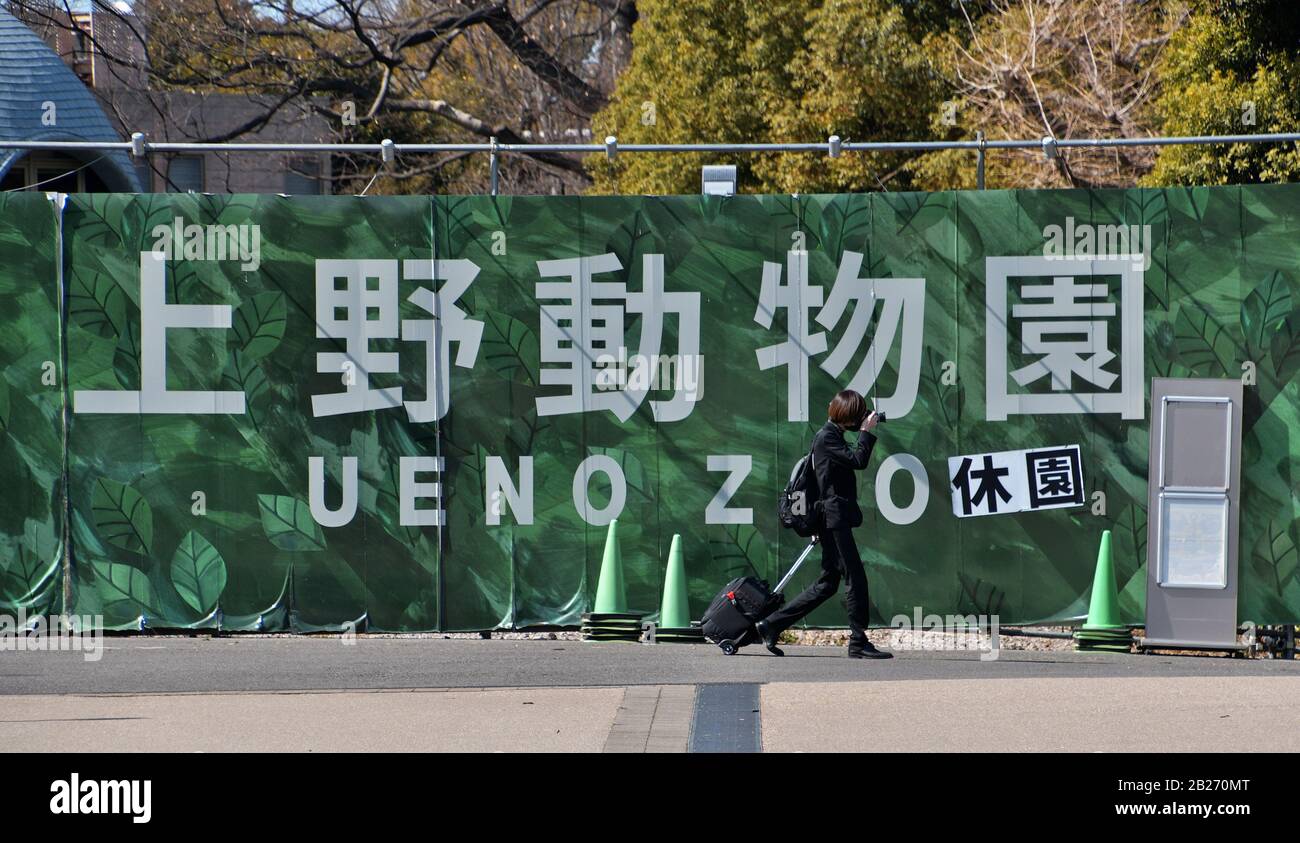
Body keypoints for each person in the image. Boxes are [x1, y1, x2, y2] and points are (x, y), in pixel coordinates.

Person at [756, 389, 892, 659]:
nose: (863, 419)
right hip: (832, 520)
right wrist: (867, 432)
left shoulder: (832, 435)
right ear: (849, 417)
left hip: (831, 519)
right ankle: (857, 641)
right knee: (855, 577)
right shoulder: (826, 437)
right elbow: (859, 460)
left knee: (828, 583)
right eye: (860, 414)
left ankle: (771, 625)